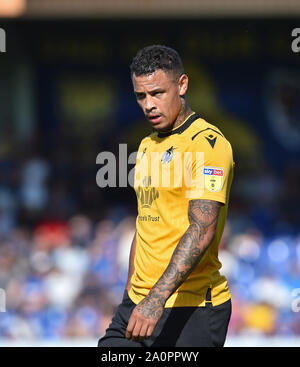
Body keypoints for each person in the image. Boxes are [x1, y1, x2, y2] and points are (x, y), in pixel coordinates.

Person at [98, 45, 234, 347]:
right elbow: (145, 221)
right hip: (138, 304)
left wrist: (154, 300)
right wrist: (131, 295)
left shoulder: (207, 144)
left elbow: (202, 230)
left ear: (182, 85)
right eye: (141, 96)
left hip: (191, 309)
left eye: (157, 93)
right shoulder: (147, 144)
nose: (149, 105)